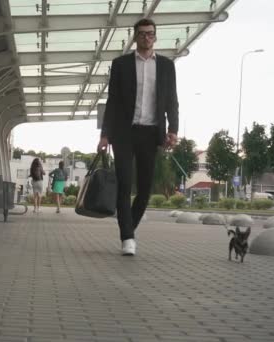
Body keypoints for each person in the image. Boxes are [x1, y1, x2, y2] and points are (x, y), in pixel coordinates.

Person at [97, 18, 179, 256]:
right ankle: (128, 238)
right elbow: (112, 102)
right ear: (135, 36)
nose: (146, 37)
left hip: (151, 133)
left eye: (150, 33)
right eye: (142, 34)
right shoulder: (121, 64)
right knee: (124, 185)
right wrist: (105, 135)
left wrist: (173, 129)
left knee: (144, 189)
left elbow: (172, 100)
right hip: (124, 133)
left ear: (155, 36)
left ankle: (128, 228)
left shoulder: (166, 66)